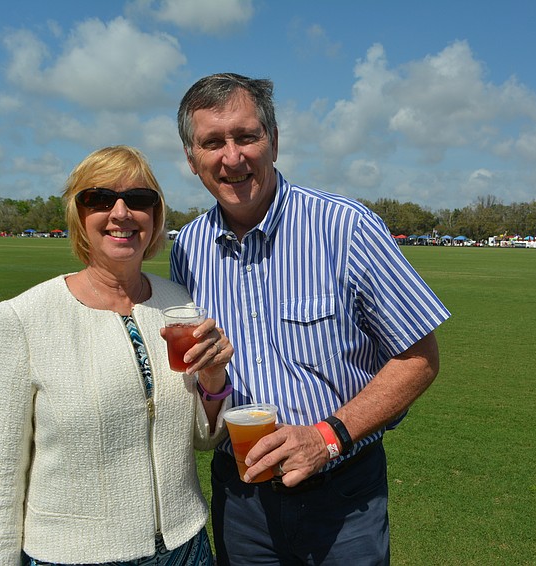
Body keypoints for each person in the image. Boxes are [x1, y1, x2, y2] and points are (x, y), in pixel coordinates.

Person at [171, 73, 451, 565]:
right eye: (212, 142)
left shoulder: (346, 227)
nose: (231, 157)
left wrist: (327, 437)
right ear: (193, 161)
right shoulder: (188, 249)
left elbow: (419, 357)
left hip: (341, 495)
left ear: (274, 142)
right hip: (240, 499)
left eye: (246, 136)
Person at [0, 145, 234, 566]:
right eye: (98, 199)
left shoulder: (178, 302)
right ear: (79, 215)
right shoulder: (23, 318)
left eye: (138, 200)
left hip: (186, 547)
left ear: (155, 216)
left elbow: (204, 439)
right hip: (77, 556)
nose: (120, 213)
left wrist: (214, 380)